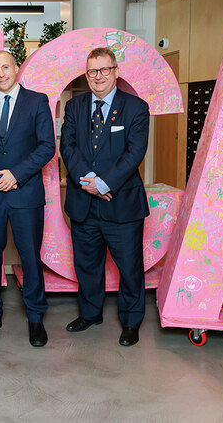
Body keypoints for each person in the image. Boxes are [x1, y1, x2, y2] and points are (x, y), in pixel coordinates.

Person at [59, 46, 150, 347]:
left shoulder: (136, 108)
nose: (98, 76)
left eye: (104, 70)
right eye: (92, 71)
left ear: (115, 71)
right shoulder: (74, 106)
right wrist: (88, 180)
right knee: (87, 265)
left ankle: (131, 321)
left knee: (130, 267)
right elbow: (67, 147)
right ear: (86, 75)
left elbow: (134, 153)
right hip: (83, 201)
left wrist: (104, 183)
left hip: (122, 204)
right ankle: (90, 314)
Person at [0, 50, 56, 347]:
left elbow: (46, 147)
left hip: (25, 193)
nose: (1, 74)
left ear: (16, 68)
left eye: (6, 67)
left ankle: (35, 317)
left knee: (30, 256)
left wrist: (15, 175)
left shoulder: (37, 101)